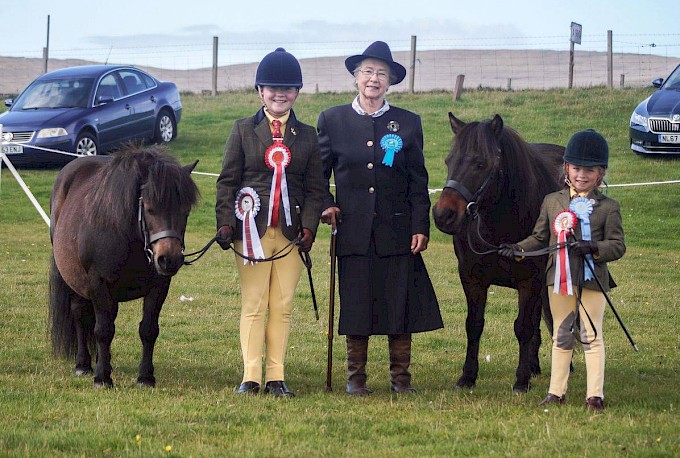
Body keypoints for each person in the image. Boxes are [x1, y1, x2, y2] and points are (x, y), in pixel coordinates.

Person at [317, 41, 443, 396]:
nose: (374, 79)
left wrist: (420, 225)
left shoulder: (407, 122)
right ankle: (356, 380)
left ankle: (401, 380)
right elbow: (318, 175)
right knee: (356, 303)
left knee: (399, 302)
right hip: (353, 231)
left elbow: (418, 180)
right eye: (368, 72)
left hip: (398, 230)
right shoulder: (332, 119)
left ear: (390, 82)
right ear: (356, 77)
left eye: (381, 74)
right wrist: (326, 204)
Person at [215, 48, 325, 398]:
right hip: (251, 233)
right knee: (254, 302)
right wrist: (225, 222)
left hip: (290, 236)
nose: (280, 94)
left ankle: (276, 376)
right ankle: (251, 377)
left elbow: (315, 186)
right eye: (272, 88)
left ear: (297, 92)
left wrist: (309, 227)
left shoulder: (307, 136)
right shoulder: (243, 130)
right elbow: (227, 180)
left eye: (288, 88)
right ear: (260, 91)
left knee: (282, 304)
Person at [499, 129, 625, 411]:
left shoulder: (608, 208)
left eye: (589, 170)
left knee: (591, 334)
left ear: (600, 173)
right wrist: (518, 248)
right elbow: (539, 237)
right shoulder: (552, 201)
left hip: (593, 280)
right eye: (577, 168)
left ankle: (595, 395)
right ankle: (556, 391)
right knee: (561, 334)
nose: (582, 175)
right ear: (566, 168)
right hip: (559, 279)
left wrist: (593, 247)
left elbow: (617, 246)